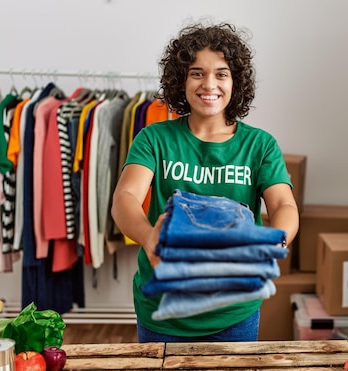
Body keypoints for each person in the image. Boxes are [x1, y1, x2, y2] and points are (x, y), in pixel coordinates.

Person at [110, 21, 299, 343]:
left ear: (235, 82)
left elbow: (283, 203)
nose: (209, 84)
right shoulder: (154, 138)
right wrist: (147, 237)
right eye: (197, 73)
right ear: (180, 81)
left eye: (221, 73)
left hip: (234, 311)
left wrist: (273, 244)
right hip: (162, 311)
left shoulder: (260, 145)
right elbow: (126, 196)